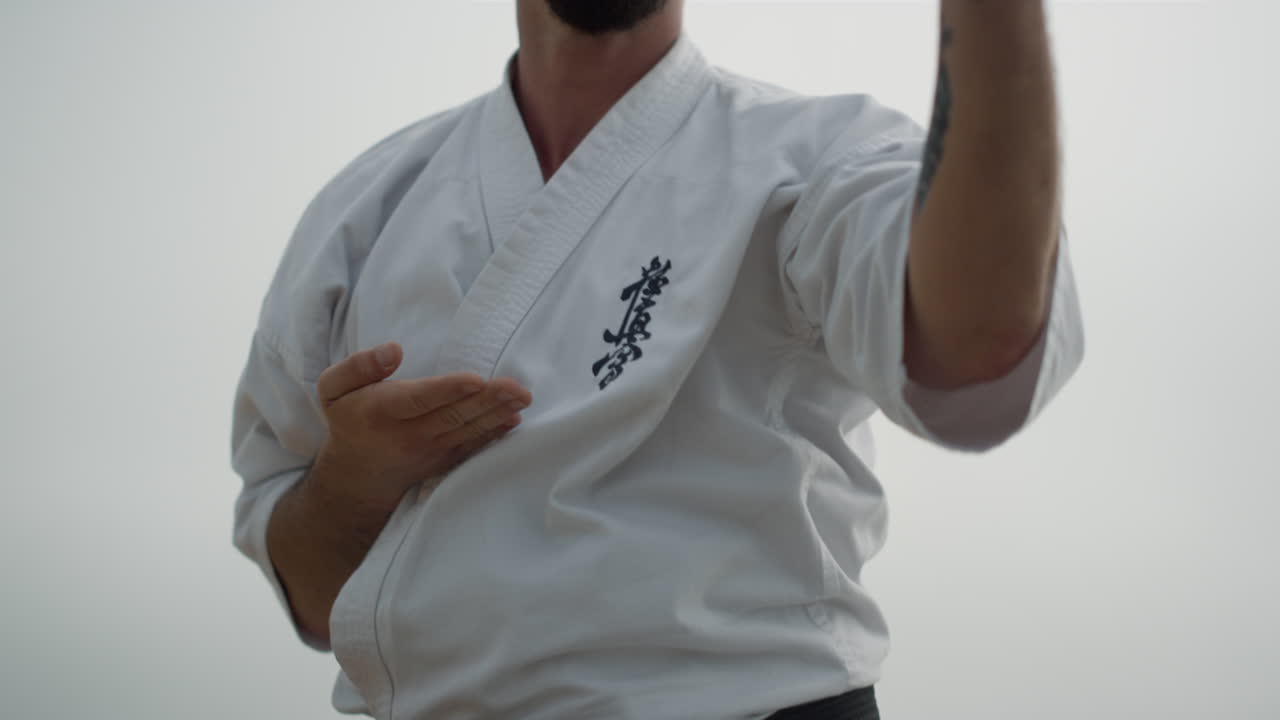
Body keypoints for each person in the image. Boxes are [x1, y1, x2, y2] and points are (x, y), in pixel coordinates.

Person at [230, 1, 1084, 718]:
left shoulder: (814, 160)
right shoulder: (370, 210)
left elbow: (980, 342)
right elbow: (311, 596)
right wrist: (351, 481)